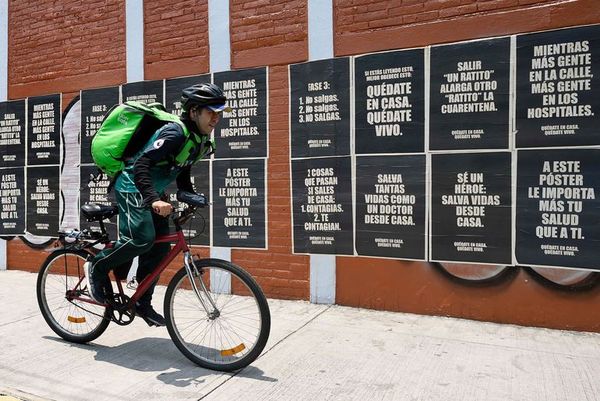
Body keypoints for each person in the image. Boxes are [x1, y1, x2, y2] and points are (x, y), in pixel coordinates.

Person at [84, 83, 230, 327]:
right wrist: (154, 199)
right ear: (194, 111)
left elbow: (182, 166)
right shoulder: (174, 133)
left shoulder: (198, 139)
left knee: (160, 249)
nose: (216, 117)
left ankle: (142, 301)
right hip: (131, 186)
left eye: (219, 112)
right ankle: (98, 266)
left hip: (152, 190)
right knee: (141, 239)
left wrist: (188, 194)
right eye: (210, 111)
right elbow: (141, 165)